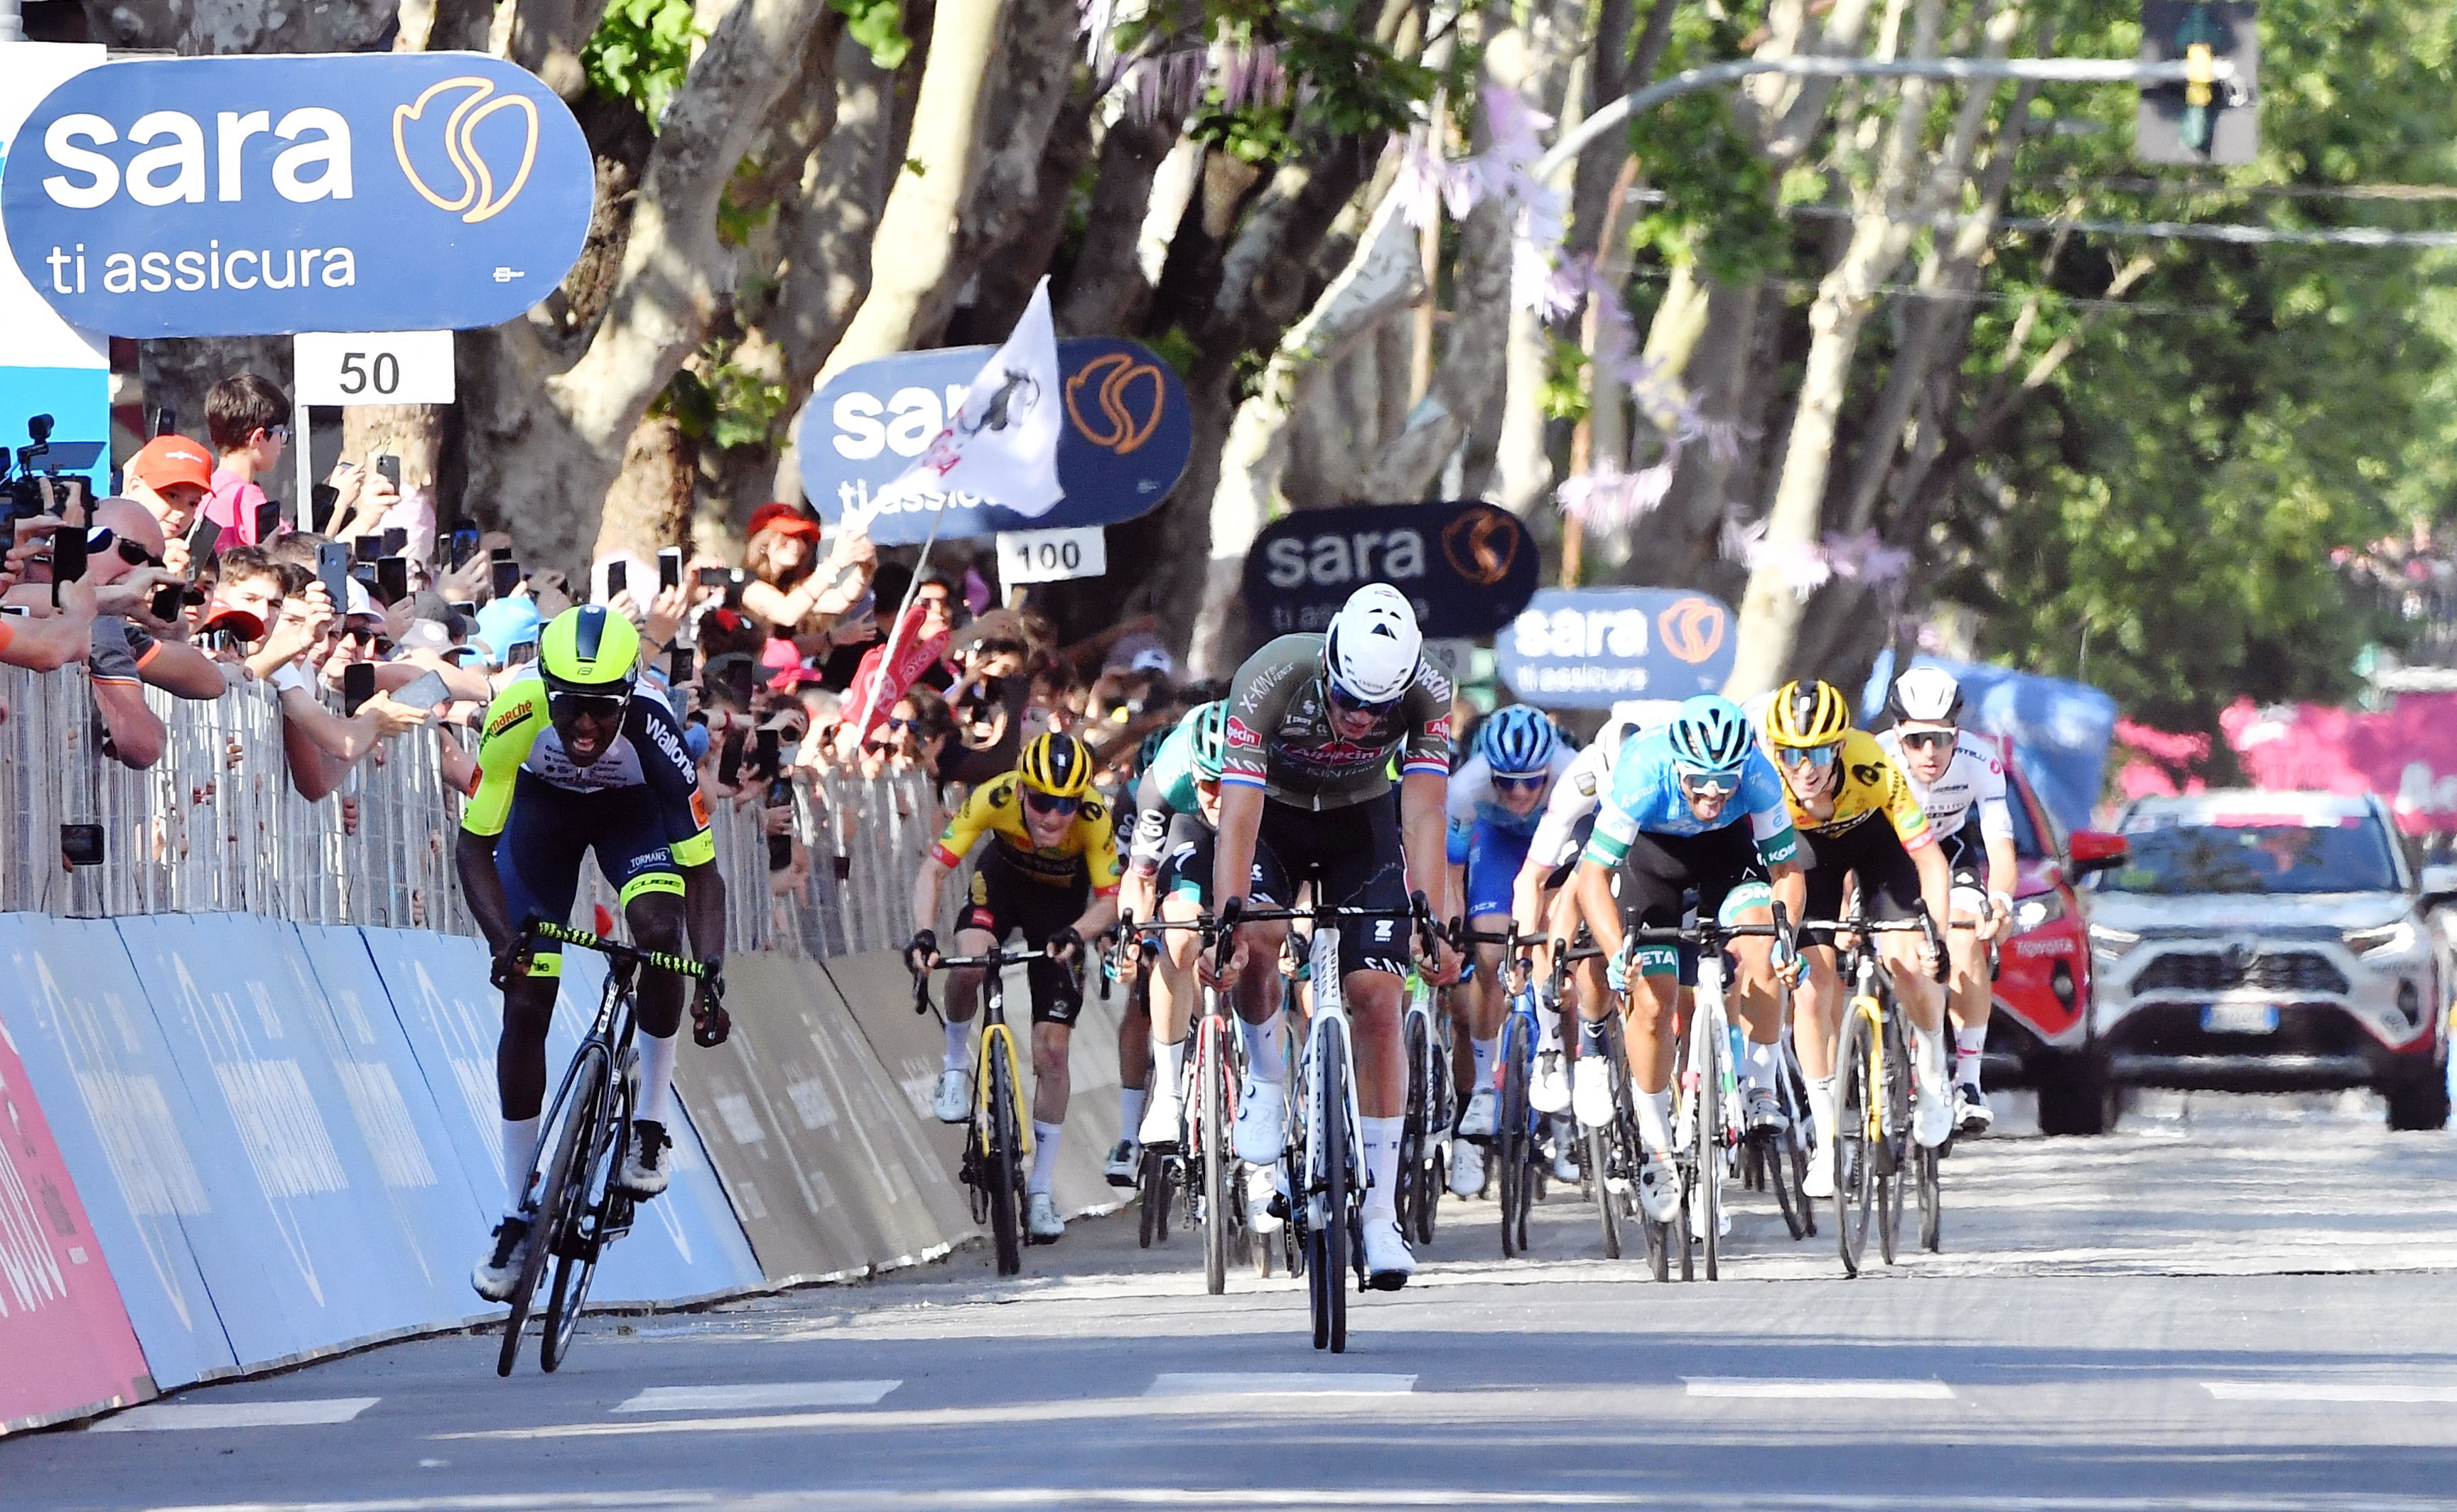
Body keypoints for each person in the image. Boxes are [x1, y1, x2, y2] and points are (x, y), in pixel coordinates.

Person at [456, 605, 729, 1302]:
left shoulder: (655, 733)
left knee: (660, 936)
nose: (584, 725)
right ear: (544, 688)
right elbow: (475, 845)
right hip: (541, 819)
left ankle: (650, 1123)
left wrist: (711, 977)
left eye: (602, 710)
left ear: (629, 696)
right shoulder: (515, 714)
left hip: (631, 816)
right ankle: (518, 1213)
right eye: (571, 706)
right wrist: (501, 941)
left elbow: (702, 874)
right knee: (525, 1001)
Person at [1202, 582, 1458, 1290]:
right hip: (1274, 819)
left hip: (1359, 823)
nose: (1355, 718)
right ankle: (1263, 1073)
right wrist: (1228, 912)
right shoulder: (1271, 672)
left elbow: (1426, 812)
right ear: (1329, 663)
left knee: (1376, 994)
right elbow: (1237, 816)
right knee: (1255, 933)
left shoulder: (1431, 689)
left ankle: (1379, 1216)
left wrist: (1426, 912)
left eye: (1375, 710)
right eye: (1345, 698)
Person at [1572, 696, 1806, 1226]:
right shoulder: (1642, 771)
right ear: (1677, 763)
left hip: (1726, 854)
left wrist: (1787, 939)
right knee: (1652, 1005)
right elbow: (1591, 879)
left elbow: (1787, 870)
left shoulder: (1757, 775)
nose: (1713, 793)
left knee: (1763, 944)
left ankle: (1759, 1086)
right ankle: (1656, 1148)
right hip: (1650, 861)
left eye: (1725, 782)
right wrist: (1616, 955)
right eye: (1699, 780)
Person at [905, 731, 1122, 1244]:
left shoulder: (1094, 816)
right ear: (1023, 791)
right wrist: (923, 933)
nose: (1052, 816)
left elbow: (1111, 900)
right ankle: (957, 1066)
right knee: (969, 965)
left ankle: (1042, 1190)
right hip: (1001, 883)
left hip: (1062, 907)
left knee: (1053, 1052)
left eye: (1065, 805)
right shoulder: (993, 797)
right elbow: (935, 870)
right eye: (1043, 801)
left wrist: (1081, 933)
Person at [1759, 677, 1955, 1196]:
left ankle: (1933, 1066)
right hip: (1808, 862)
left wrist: (1935, 933)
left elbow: (1930, 861)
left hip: (1877, 848)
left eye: (1819, 752)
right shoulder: (1767, 784)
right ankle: (1827, 1141)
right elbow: (1779, 878)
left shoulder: (1872, 764)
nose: (1805, 769)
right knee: (1810, 990)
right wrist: (1785, 943)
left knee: (1906, 960)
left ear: (1840, 747)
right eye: (1792, 755)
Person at [1875, 665, 2018, 1135]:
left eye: (1941, 739)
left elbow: (1999, 845)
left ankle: (1969, 1082)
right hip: (1889, 856)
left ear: (1957, 732)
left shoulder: (1980, 759)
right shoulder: (1874, 761)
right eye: (1916, 741)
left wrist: (2000, 901)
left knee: (1965, 930)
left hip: (1950, 853)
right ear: (1898, 734)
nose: (1930, 753)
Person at [1445, 704, 1577, 1197]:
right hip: (1500, 845)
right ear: (1489, 773)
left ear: (1549, 770)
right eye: (1507, 783)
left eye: (1530, 783)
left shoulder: (1574, 776)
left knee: (1560, 956)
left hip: (1560, 845)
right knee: (1489, 948)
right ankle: (1482, 1086)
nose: (1519, 793)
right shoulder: (1466, 788)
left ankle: (1566, 1092)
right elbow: (1453, 874)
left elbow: (1600, 864)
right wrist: (1454, 926)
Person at [201, 373, 289, 550]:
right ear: (258, 438)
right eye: (283, 435)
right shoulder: (247, 497)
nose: (283, 445)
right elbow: (295, 560)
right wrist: (342, 507)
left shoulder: (202, 492)